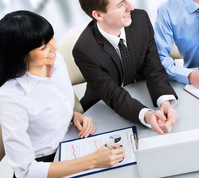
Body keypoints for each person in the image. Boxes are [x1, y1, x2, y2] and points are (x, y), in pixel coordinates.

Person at [0, 10, 124, 178]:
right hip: (44, 165)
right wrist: (93, 160)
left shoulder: (56, 61)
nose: (54, 48)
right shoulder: (10, 96)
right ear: (21, 55)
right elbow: (26, 170)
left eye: (52, 39)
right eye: (44, 47)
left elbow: (52, 103)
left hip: (70, 144)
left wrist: (73, 116)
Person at [73, 0, 178, 135]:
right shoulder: (84, 50)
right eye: (121, 4)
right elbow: (114, 95)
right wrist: (148, 115)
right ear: (98, 15)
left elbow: (153, 67)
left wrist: (165, 102)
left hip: (144, 93)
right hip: (104, 109)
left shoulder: (140, 19)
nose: (131, 7)